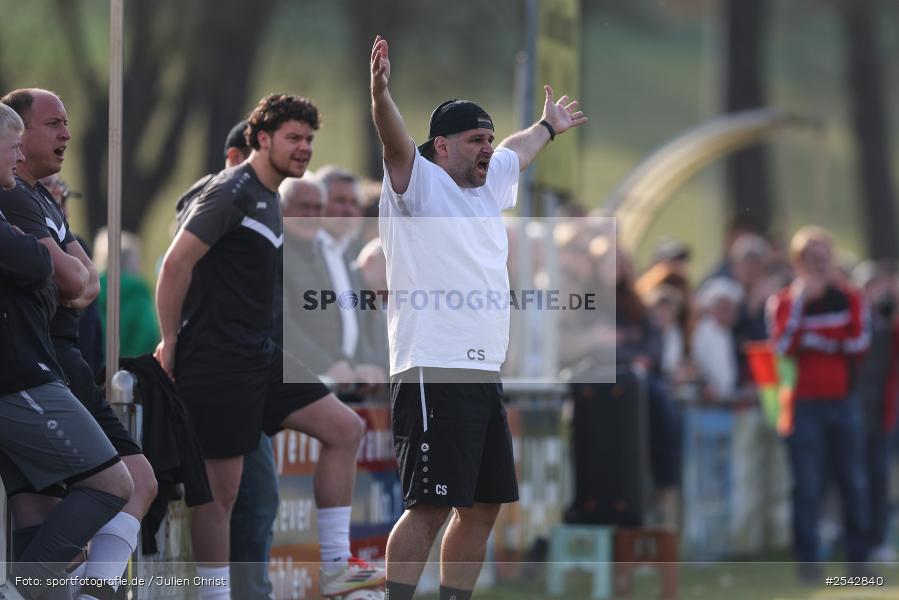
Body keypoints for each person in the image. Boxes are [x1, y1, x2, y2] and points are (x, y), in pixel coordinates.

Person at [369, 35, 586, 600]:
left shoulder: (488, 185)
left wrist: (547, 128)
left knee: (484, 505)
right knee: (431, 505)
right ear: (440, 146)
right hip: (432, 367)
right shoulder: (417, 183)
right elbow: (394, 142)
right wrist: (379, 96)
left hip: (480, 372)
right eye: (475, 140)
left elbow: (518, 149)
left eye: (488, 139)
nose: (487, 149)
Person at [154, 94, 384, 599]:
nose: (304, 149)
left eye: (309, 140)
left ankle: (336, 567)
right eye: (293, 139)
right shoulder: (231, 191)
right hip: (218, 359)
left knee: (345, 429)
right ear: (262, 140)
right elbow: (174, 266)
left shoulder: (270, 195)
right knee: (223, 495)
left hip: (261, 355)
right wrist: (170, 342)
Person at [0, 88, 158, 600]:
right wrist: (66, 272)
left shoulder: (41, 195)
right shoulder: (11, 197)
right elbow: (64, 278)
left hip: (46, 364)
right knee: (122, 481)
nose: (65, 134)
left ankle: (69, 589)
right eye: (53, 124)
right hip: (35, 369)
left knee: (41, 508)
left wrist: (70, 273)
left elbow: (87, 281)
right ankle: (77, 590)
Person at [767, 226, 871, 582]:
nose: (822, 264)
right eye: (813, 258)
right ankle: (808, 565)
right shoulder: (784, 301)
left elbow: (859, 343)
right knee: (807, 485)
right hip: (803, 405)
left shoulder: (851, 298)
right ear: (799, 262)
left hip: (843, 402)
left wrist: (815, 341)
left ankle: (859, 563)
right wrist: (800, 304)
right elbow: (782, 348)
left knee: (852, 482)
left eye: (826, 256)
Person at [280, 171, 388, 396]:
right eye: (339, 201)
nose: (347, 210)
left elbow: (367, 318)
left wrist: (369, 365)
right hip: (306, 381)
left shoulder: (350, 253)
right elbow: (287, 322)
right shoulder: (300, 249)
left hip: (346, 384)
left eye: (354, 203)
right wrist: (328, 364)